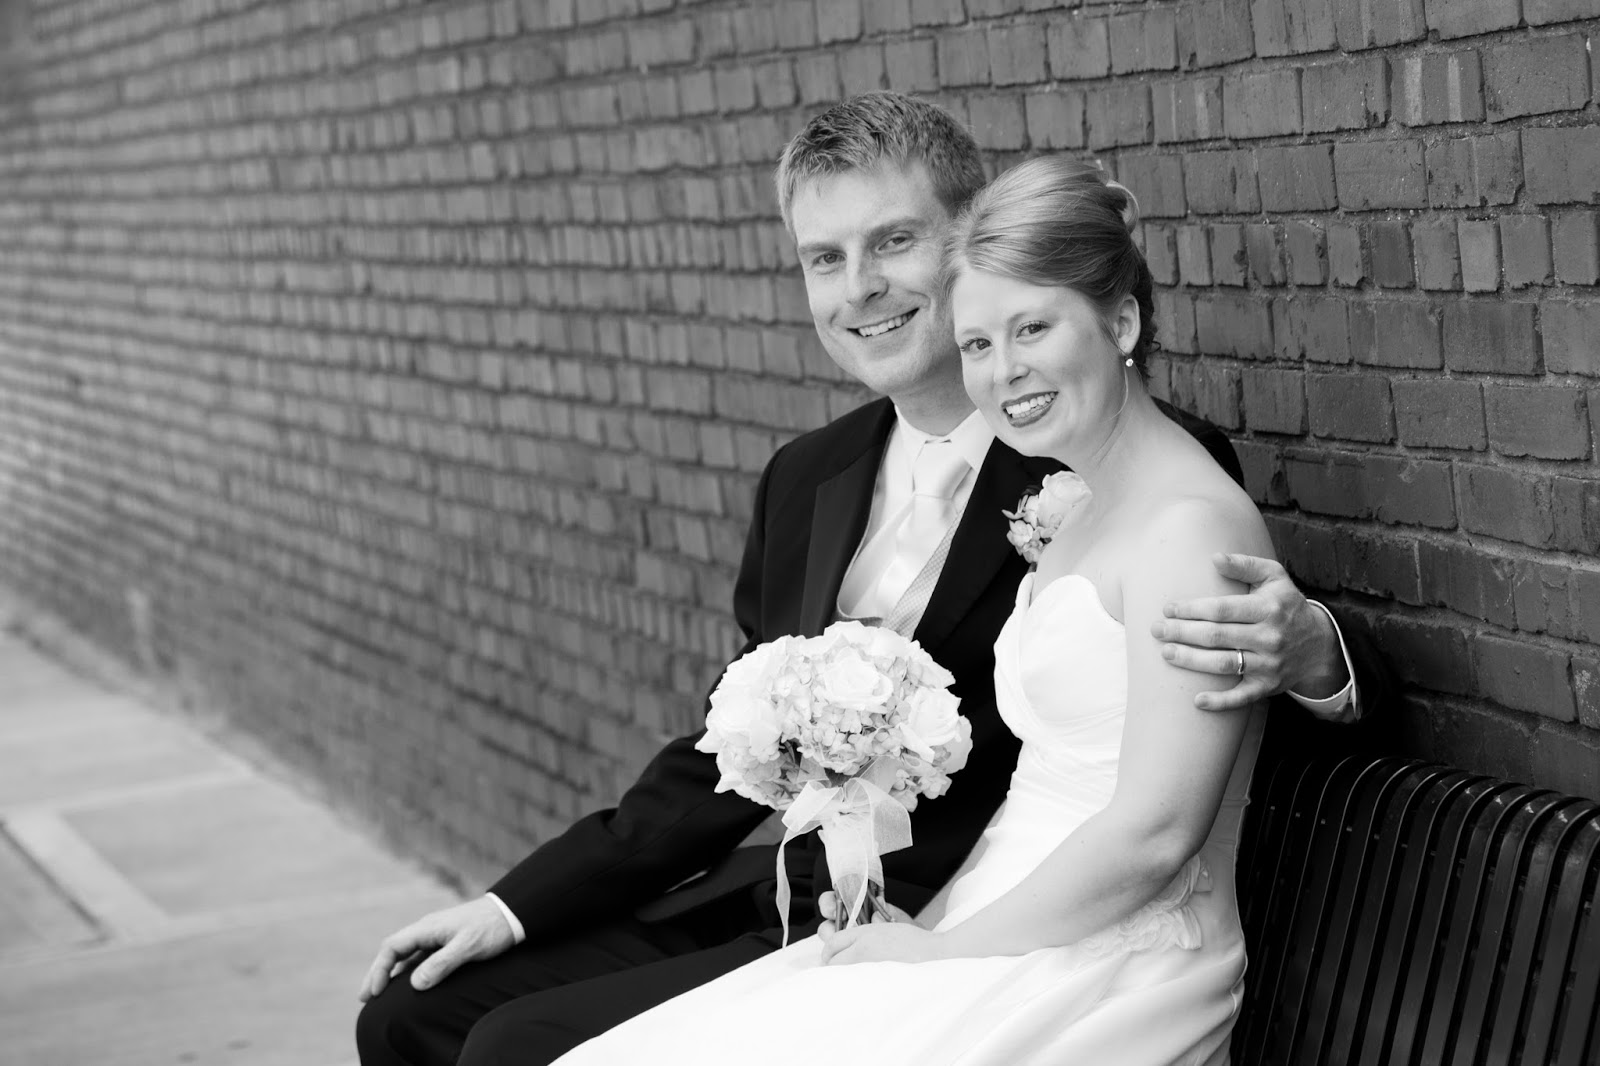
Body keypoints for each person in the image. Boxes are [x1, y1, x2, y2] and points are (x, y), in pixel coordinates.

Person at [356, 93, 1391, 1066]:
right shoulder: (806, 476)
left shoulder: (1099, 458)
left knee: (517, 1046)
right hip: (781, 893)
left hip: (959, 905)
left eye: (892, 241)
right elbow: (724, 745)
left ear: (967, 242)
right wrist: (514, 905)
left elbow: (1199, 688)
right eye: (825, 258)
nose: (858, 289)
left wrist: (1316, 655)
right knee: (412, 1013)